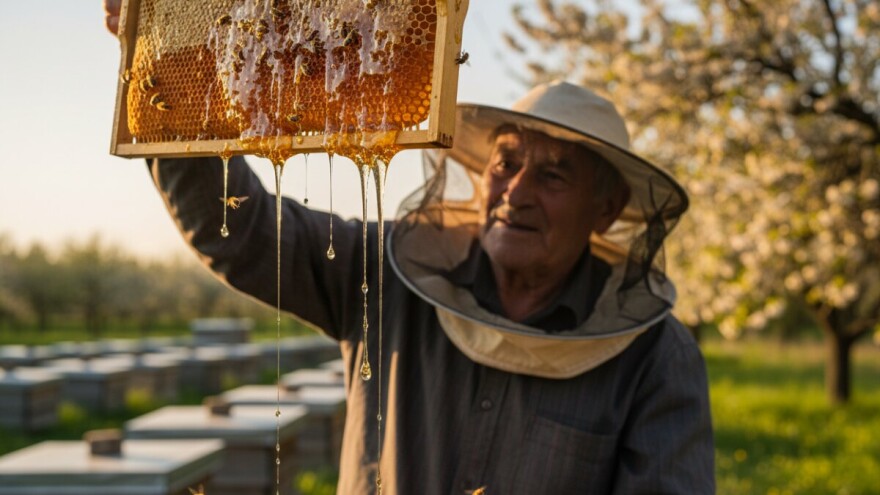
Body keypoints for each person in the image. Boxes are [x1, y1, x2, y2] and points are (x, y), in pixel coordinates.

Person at [105, 3, 714, 493]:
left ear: (605, 209)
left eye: (554, 175)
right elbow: (240, 234)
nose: (517, 192)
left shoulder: (656, 356)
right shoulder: (382, 271)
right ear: (479, 175)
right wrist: (166, 73)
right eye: (506, 162)